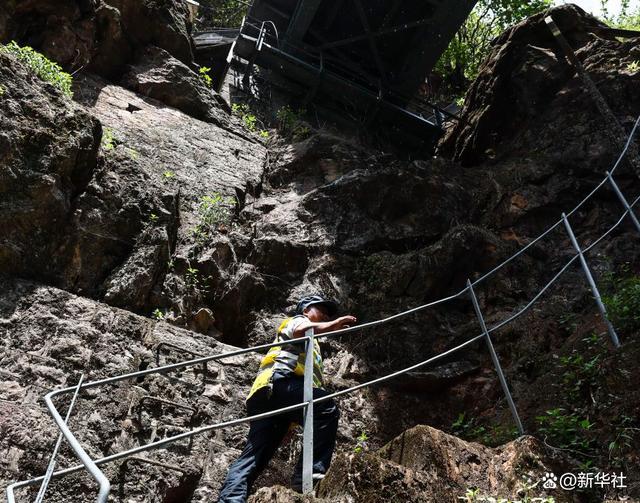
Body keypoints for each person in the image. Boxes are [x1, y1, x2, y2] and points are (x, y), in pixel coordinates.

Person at [217, 295, 357, 502]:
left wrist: (289, 425)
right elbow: (302, 330)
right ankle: (311, 473)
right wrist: (333, 324)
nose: (326, 316)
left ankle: (230, 498)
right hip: (281, 383)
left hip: (269, 395)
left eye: (328, 315)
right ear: (306, 310)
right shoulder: (298, 321)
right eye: (322, 310)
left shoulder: (313, 345)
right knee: (325, 409)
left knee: (257, 453)